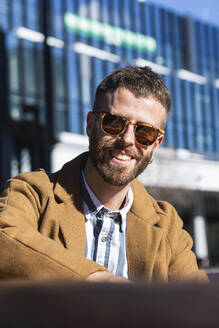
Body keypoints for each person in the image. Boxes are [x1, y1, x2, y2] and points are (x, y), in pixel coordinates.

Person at [0, 66, 208, 283]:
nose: (128, 139)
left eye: (145, 132)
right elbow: (4, 238)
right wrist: (100, 280)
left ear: (156, 145)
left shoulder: (167, 227)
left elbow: (196, 304)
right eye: (114, 123)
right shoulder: (34, 193)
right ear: (91, 125)